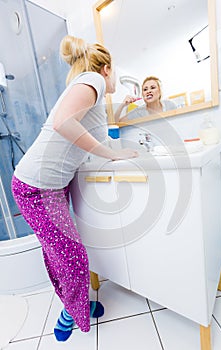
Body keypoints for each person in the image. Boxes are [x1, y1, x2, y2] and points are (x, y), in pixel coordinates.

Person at [11, 35, 138, 342]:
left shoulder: (93, 94)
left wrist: (122, 117)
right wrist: (113, 155)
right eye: (116, 71)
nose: (116, 77)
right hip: (35, 187)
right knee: (73, 257)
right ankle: (70, 311)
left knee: (61, 254)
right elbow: (62, 123)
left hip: (51, 186)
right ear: (106, 69)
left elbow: (90, 134)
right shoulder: (93, 79)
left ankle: (76, 303)